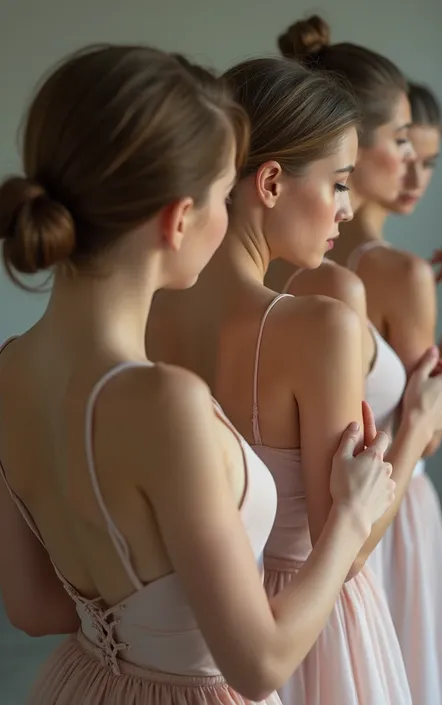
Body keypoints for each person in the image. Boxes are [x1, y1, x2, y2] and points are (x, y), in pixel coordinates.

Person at [0, 45, 399, 705]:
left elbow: (35, 608)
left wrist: (137, 622)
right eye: (222, 195)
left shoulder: (8, 368)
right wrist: (353, 514)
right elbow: (260, 662)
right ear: (178, 218)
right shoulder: (165, 400)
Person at [148, 56, 442, 705]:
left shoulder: (155, 305)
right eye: (339, 183)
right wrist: (420, 424)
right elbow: (342, 553)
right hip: (311, 627)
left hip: (201, 628)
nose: (345, 208)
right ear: (269, 182)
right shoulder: (317, 326)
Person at [277, 17, 442, 702]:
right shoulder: (387, 275)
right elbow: (430, 428)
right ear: (355, 142)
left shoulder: (280, 263)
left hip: (301, 531)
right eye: (401, 143)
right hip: (376, 517)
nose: (413, 166)